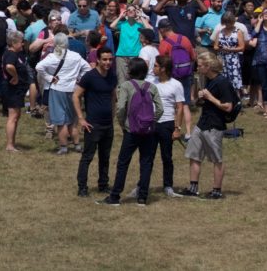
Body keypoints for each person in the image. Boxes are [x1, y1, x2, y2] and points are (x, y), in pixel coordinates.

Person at [99, 57, 162, 207]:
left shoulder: (126, 86)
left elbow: (120, 107)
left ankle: (115, 196)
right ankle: (142, 197)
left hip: (131, 130)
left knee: (123, 163)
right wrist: (152, 121)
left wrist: (122, 123)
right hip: (148, 131)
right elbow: (160, 108)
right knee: (146, 162)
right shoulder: (151, 87)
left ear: (131, 71)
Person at [180, 51, 234, 199]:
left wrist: (211, 98)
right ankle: (193, 187)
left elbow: (228, 106)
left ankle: (217, 190)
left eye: (200, 65)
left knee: (217, 159)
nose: (197, 68)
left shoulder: (222, 82)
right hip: (202, 123)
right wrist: (201, 99)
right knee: (194, 155)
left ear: (208, 66)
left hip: (215, 125)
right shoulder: (207, 80)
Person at [35, 33, 89, 155]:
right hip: (73, 90)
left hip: (58, 89)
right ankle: (77, 145)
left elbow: (38, 67)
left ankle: (64, 147)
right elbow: (87, 68)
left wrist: (49, 78)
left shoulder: (53, 56)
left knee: (61, 121)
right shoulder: (76, 56)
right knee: (73, 120)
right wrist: (79, 78)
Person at [74, 49, 117, 197]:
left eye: (110, 60)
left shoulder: (112, 76)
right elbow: (76, 96)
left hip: (107, 124)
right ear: (98, 60)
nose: (108, 62)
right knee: (88, 156)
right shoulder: (89, 77)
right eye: (104, 59)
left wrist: (113, 115)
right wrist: (81, 118)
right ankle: (82, 187)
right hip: (93, 124)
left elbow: (113, 96)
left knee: (105, 157)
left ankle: (103, 184)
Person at [152, 55, 185, 198]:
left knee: (167, 156)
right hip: (152, 124)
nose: (153, 68)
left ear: (163, 69)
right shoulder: (150, 82)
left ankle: (168, 185)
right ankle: (142, 184)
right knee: (147, 156)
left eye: (156, 66)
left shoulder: (176, 85)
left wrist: (177, 128)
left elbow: (180, 107)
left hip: (167, 124)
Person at [2, 30, 31, 152]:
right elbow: (9, 66)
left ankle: (12, 143)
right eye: (20, 42)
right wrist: (15, 77)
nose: (22, 44)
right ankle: (9, 145)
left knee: (16, 116)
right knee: (13, 116)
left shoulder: (15, 54)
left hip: (17, 90)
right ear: (13, 43)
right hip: (12, 90)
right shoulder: (10, 54)